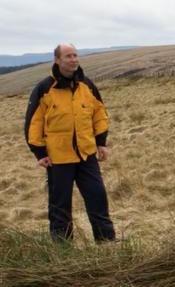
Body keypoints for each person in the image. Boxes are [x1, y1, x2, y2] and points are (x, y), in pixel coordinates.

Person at [23, 42, 117, 241]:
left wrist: (101, 142)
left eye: (75, 55)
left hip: (86, 155)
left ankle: (107, 243)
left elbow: (99, 114)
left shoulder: (87, 85)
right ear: (57, 60)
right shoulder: (44, 88)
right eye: (68, 56)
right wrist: (39, 153)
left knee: (98, 198)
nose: (73, 59)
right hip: (58, 159)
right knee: (60, 207)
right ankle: (63, 250)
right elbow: (33, 122)